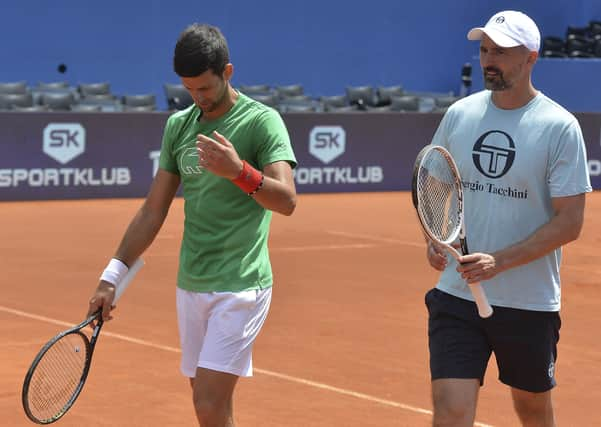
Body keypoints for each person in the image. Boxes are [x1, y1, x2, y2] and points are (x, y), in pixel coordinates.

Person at [87, 23, 297, 426]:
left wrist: (238, 171)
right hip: (192, 283)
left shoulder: (262, 121)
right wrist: (112, 276)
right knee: (212, 411)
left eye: (205, 87)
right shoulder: (179, 126)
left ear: (228, 72)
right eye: (189, 89)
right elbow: (153, 209)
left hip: (242, 284)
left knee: (207, 402)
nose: (198, 98)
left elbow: (286, 201)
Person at [423, 11, 591, 427]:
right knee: (450, 410)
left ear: (530, 57)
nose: (488, 59)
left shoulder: (559, 127)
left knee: (532, 411)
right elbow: (436, 182)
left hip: (528, 302)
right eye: (484, 50)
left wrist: (499, 261)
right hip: (456, 295)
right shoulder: (460, 114)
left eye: (500, 51)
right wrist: (433, 233)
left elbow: (570, 222)